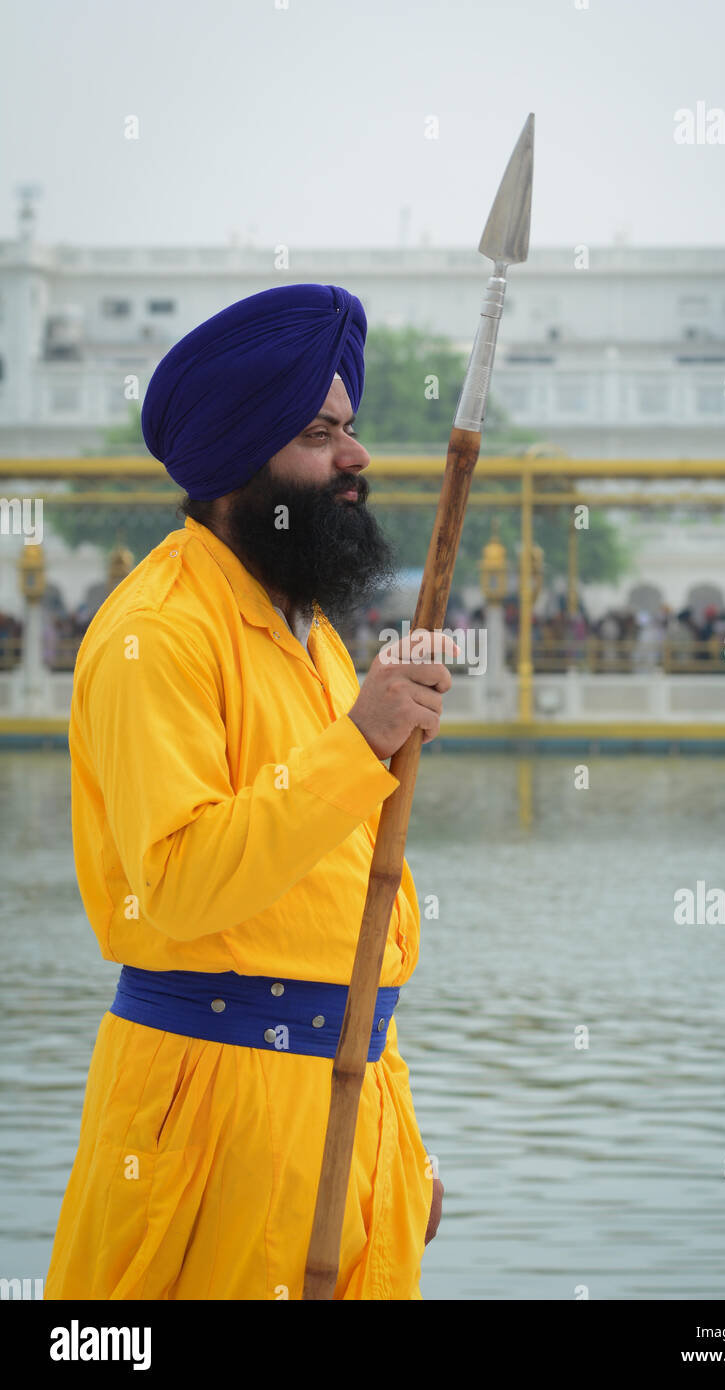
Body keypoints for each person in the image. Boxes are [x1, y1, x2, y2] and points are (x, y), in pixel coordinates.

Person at [45, 283, 449, 1301]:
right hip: (216, 1102)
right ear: (238, 462)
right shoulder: (159, 634)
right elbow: (180, 883)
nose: (354, 457)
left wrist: (392, 1138)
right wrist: (360, 736)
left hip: (349, 1086)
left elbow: (329, 900)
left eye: (347, 429)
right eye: (319, 434)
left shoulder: (300, 629)